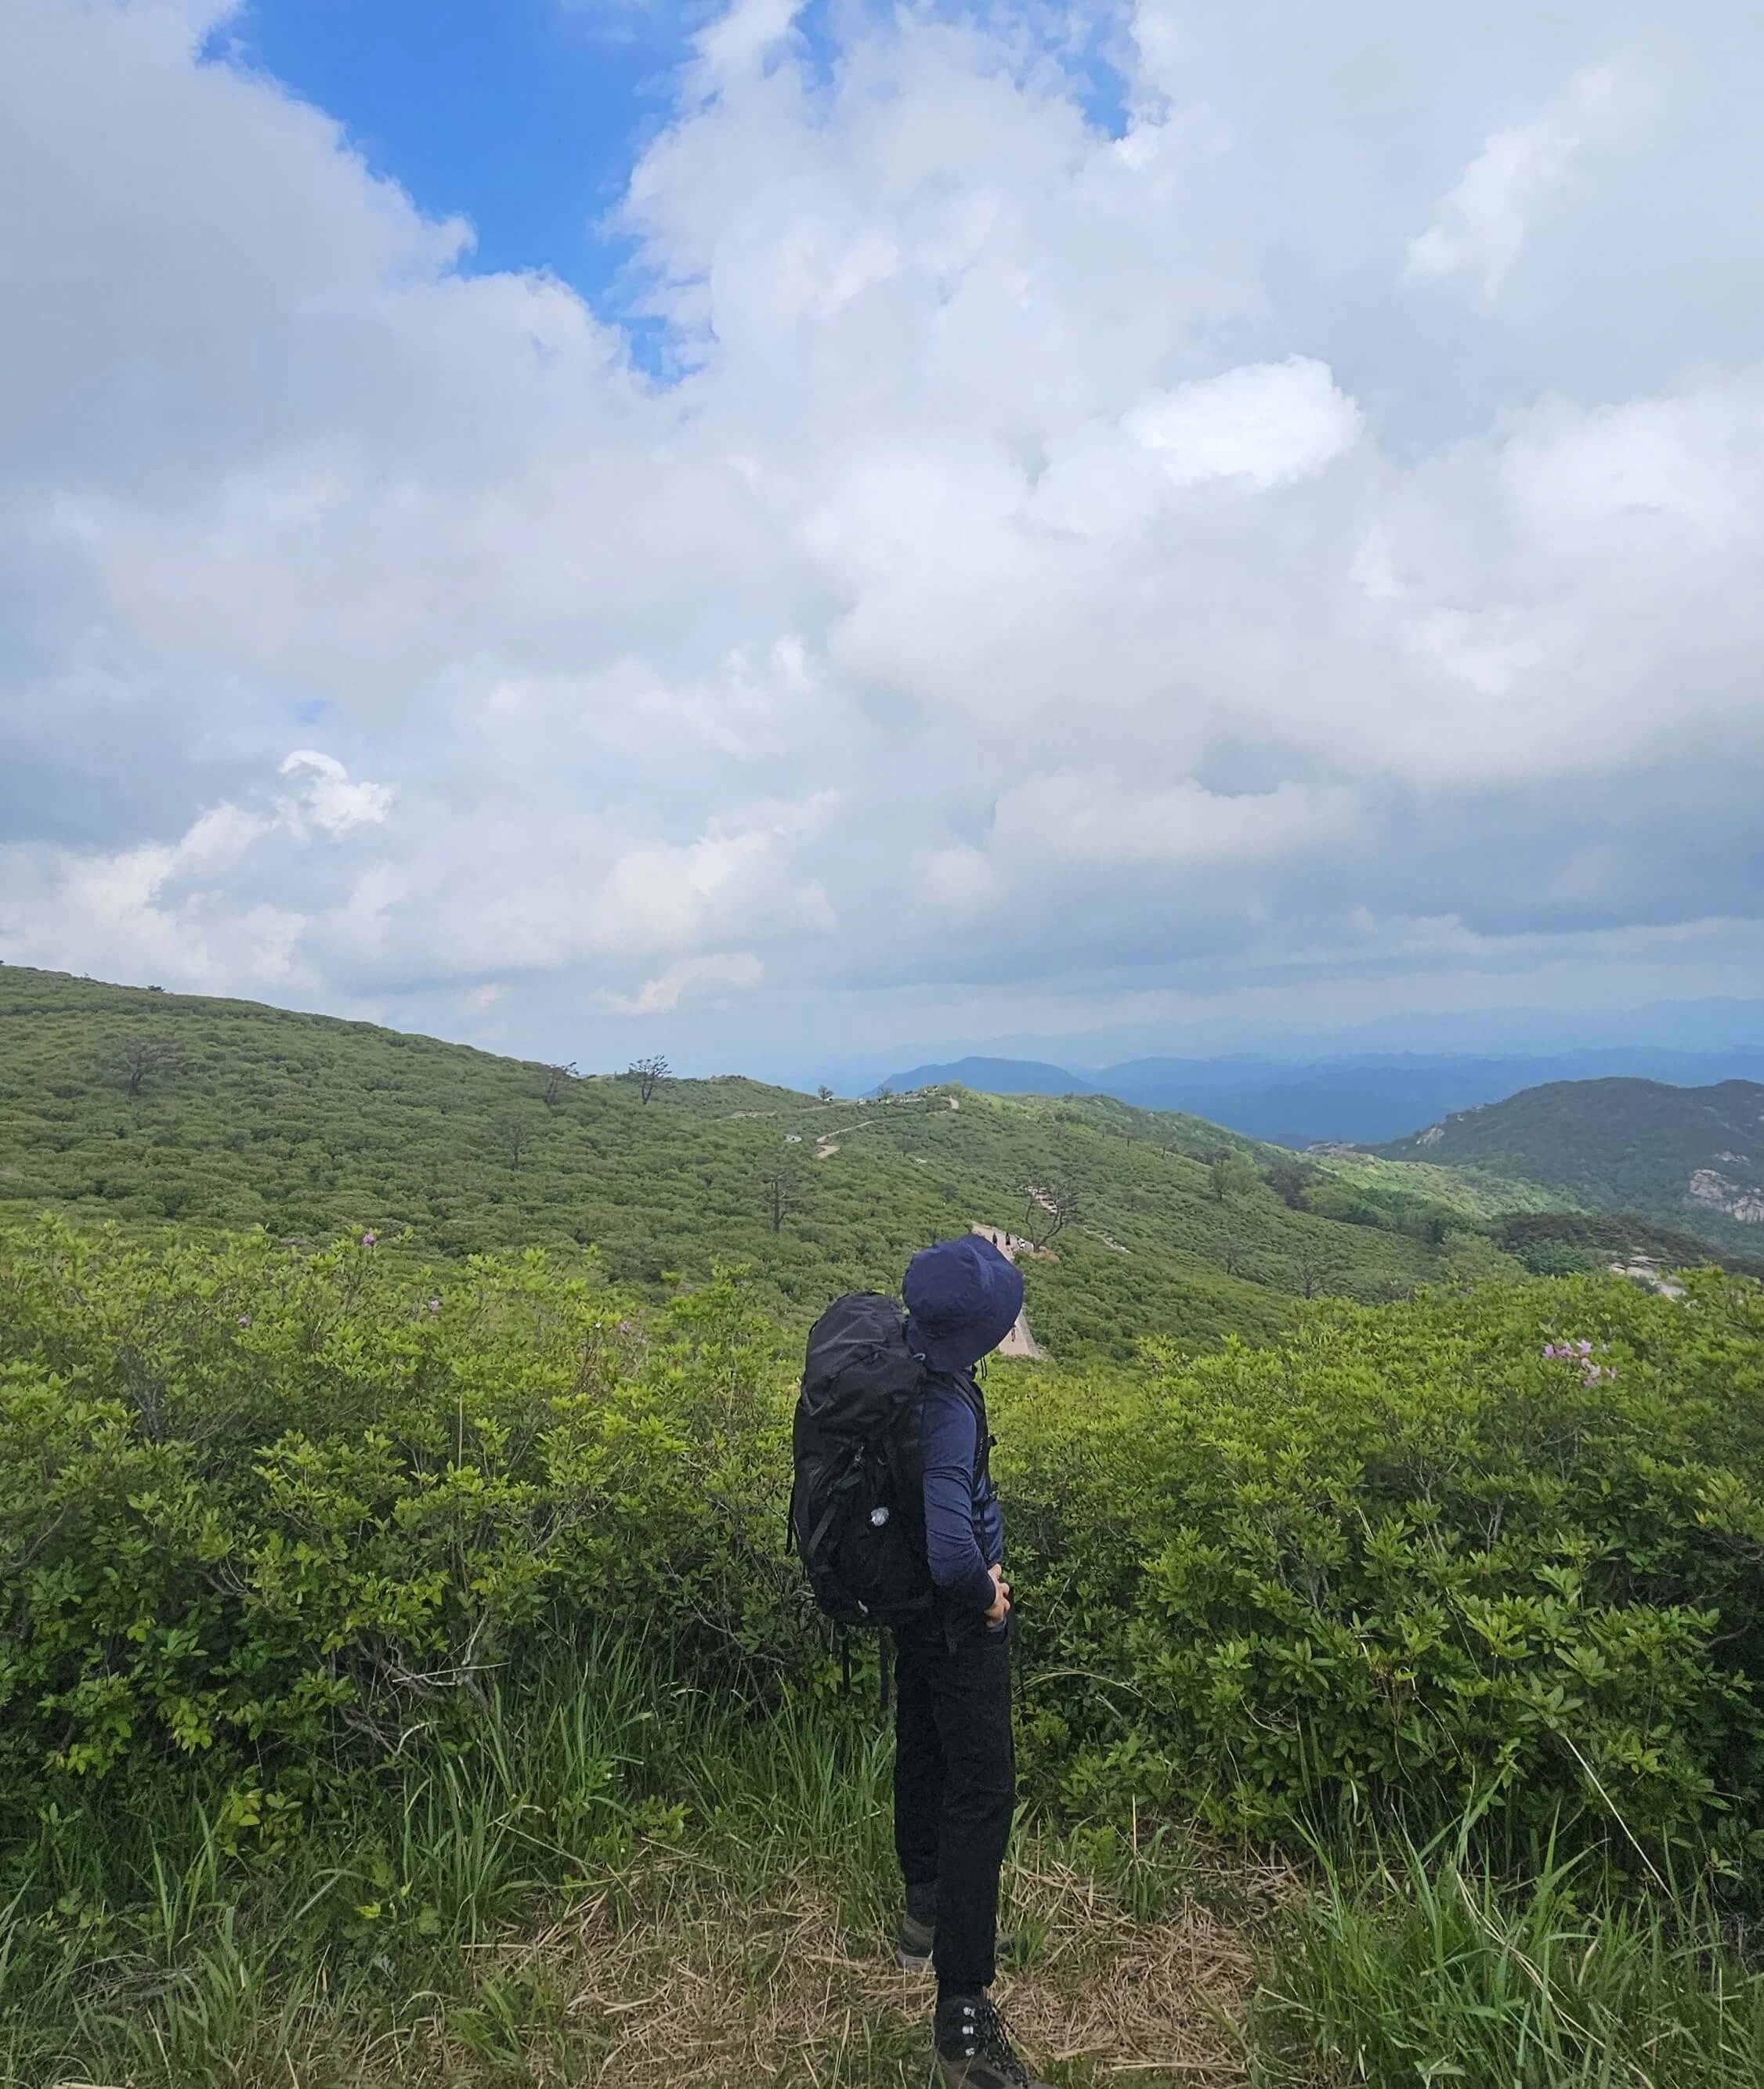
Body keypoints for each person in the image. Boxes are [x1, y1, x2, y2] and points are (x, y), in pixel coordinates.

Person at [891, 1234, 1052, 2089]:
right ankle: (961, 2014)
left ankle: (926, 1914)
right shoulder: (948, 1407)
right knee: (980, 1794)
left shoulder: (896, 1361)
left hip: (907, 1609)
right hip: (955, 1615)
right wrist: (987, 1597)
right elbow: (953, 1548)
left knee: (919, 1750)